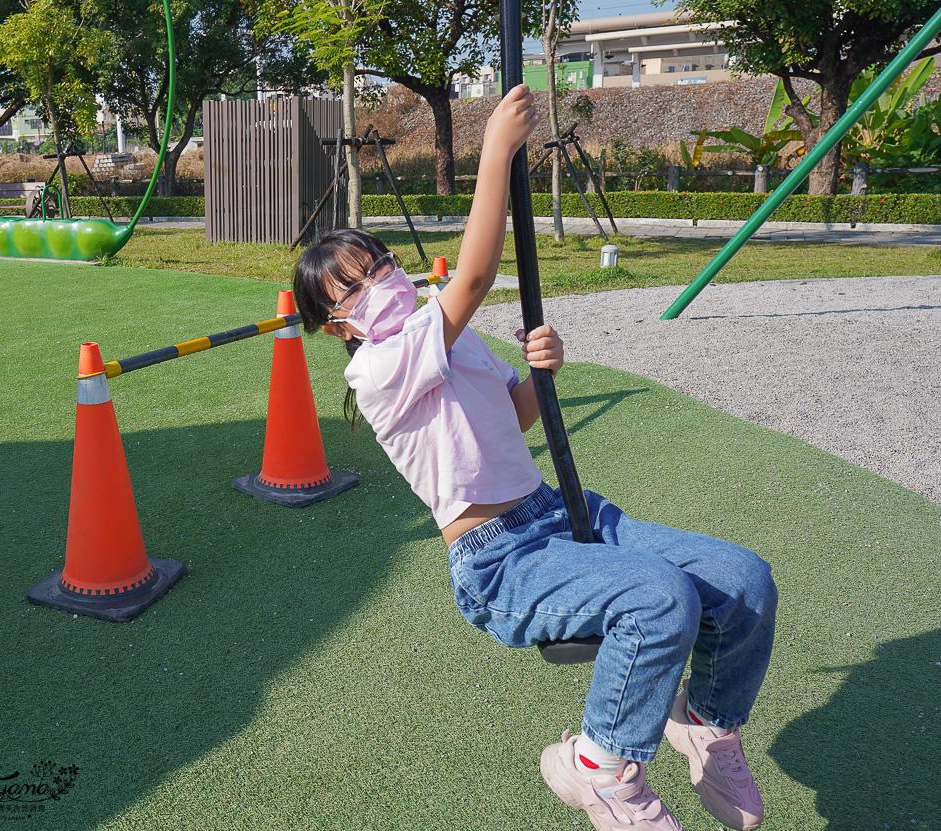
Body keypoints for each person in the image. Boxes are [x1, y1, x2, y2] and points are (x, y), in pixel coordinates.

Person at [292, 84, 777, 831]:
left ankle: (704, 722)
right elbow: (477, 276)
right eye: (349, 289)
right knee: (659, 598)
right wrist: (495, 151)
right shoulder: (377, 369)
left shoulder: (439, 334)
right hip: (499, 560)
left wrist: (542, 372)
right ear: (336, 328)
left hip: (555, 513)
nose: (375, 284)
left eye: (378, 263)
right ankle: (598, 764)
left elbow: (516, 413)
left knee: (744, 581)